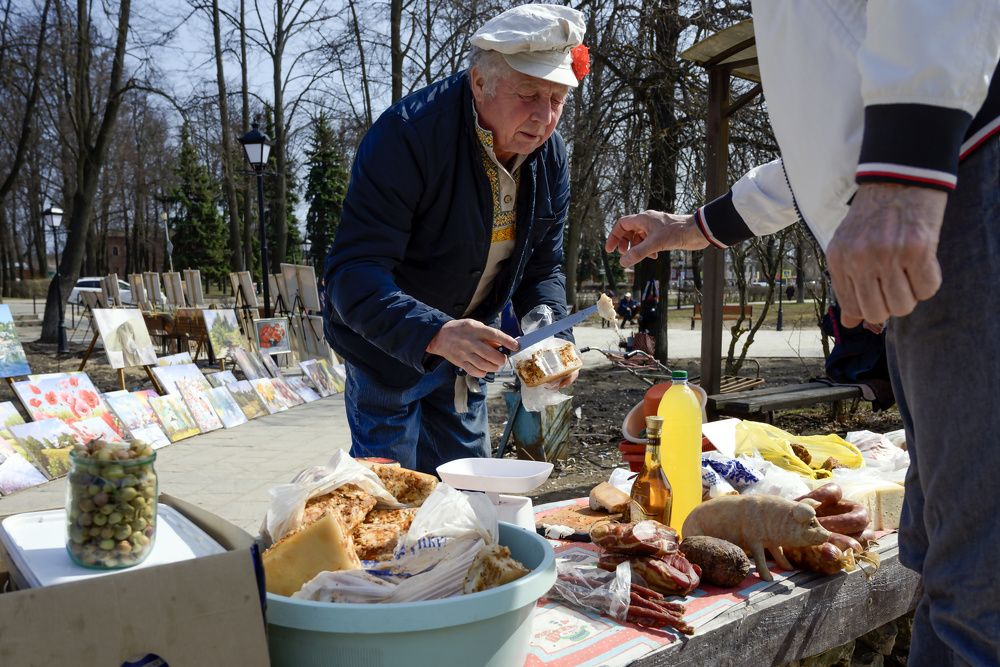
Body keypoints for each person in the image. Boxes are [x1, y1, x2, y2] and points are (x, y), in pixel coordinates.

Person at [605, 3, 999, 662]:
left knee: (979, 583)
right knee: (936, 551)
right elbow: (823, 147)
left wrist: (903, 178)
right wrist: (692, 226)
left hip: (961, 172)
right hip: (935, 181)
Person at [324, 5, 587, 474]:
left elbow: (542, 267)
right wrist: (436, 333)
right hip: (388, 354)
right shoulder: (407, 136)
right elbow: (354, 275)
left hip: (469, 360)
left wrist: (549, 332)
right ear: (479, 82)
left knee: (471, 493)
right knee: (395, 500)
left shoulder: (550, 156)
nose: (545, 117)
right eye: (529, 94)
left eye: (557, 99)